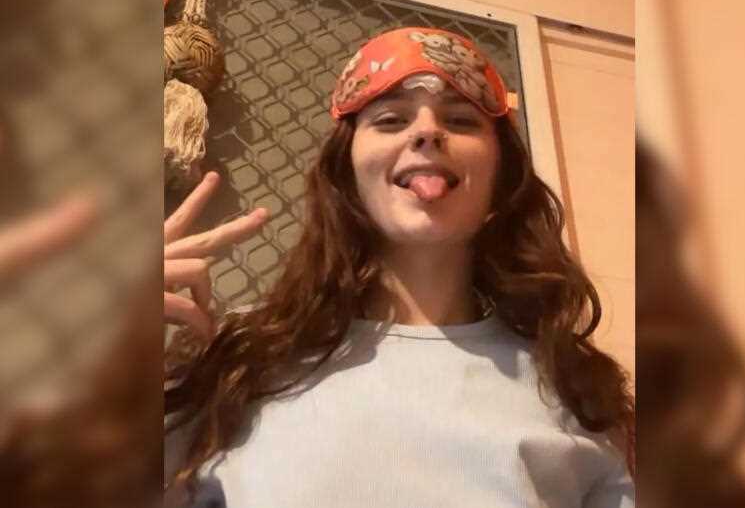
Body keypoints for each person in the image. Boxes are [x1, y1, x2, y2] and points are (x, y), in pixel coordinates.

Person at [164, 27, 635, 508]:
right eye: (390, 119)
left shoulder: (575, 390)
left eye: (461, 120)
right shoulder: (241, 357)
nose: (426, 132)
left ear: (502, 179)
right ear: (346, 175)